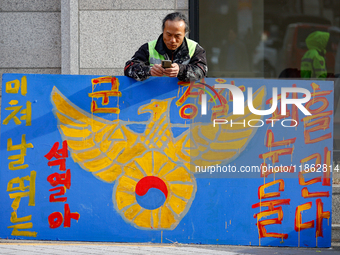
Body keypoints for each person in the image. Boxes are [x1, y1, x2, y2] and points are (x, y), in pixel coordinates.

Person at [124, 12, 208, 82]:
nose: (172, 40)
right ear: (163, 31)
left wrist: (180, 70)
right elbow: (128, 68)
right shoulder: (149, 47)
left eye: (177, 36)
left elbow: (202, 70)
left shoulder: (195, 48)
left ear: (185, 33)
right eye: (169, 35)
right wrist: (149, 70)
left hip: (185, 99)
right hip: (153, 98)